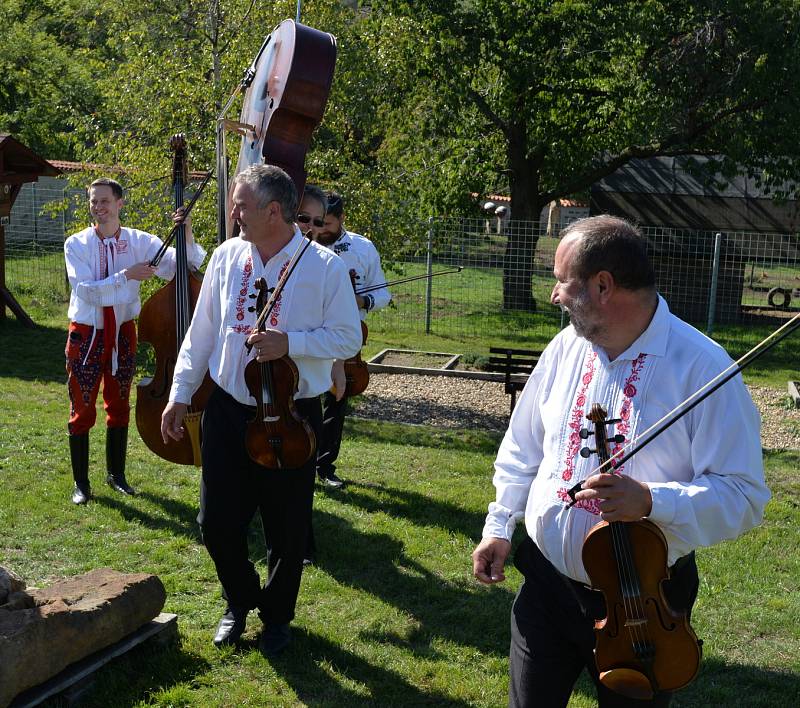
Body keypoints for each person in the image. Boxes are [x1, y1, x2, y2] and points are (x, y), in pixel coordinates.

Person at [471, 215, 770, 707]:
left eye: (562, 283)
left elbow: (744, 495)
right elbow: (524, 445)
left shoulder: (703, 368)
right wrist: (501, 523)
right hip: (546, 586)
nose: (554, 296)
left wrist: (651, 501)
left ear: (603, 286)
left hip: (641, 603)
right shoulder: (566, 347)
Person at [160, 165, 361, 656]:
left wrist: (288, 342)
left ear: (274, 211)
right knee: (215, 523)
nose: (234, 213)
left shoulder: (324, 267)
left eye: (242, 205)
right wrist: (180, 393)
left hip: (292, 416)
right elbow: (202, 331)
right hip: (228, 409)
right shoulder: (228, 256)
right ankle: (241, 599)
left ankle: (277, 617)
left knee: (287, 529)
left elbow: (348, 338)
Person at [64, 177, 205, 505]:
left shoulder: (140, 242)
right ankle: (81, 484)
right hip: (87, 333)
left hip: (124, 331)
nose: (98, 207)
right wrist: (127, 276)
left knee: (119, 404)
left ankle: (117, 475)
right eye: (93, 201)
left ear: (119, 203)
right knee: (82, 406)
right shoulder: (77, 244)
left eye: (105, 201)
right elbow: (84, 290)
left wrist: (185, 231)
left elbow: (185, 266)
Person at [306, 189, 391, 488]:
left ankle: (325, 466)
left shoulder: (363, 248)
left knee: (335, 402)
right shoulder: (303, 243)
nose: (319, 230)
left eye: (326, 224)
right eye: (316, 222)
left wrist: (362, 301)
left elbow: (383, 294)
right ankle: (298, 461)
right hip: (307, 333)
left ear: (342, 219)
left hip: (343, 341)